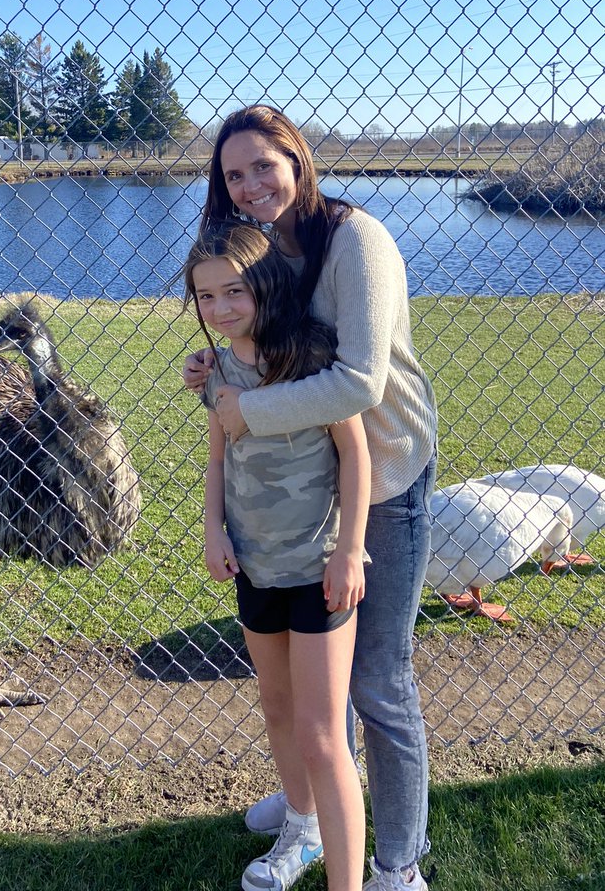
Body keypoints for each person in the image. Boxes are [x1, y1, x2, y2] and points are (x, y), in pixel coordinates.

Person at [183, 105, 438, 891]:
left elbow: (358, 383)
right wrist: (217, 375)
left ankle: (396, 863)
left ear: (296, 159)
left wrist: (245, 409)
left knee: (377, 680)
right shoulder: (266, 250)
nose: (251, 184)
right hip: (306, 493)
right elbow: (256, 342)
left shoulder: (357, 241)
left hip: (384, 476)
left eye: (264, 165)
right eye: (234, 174)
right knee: (306, 695)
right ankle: (314, 814)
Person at [185, 222, 371, 891]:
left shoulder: (312, 358)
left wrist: (350, 550)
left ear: (265, 283)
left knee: (323, 735)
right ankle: (302, 824)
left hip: (319, 571)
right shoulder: (216, 370)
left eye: (234, 290)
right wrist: (214, 530)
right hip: (255, 567)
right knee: (276, 706)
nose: (221, 308)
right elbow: (218, 457)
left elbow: (355, 453)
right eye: (206, 296)